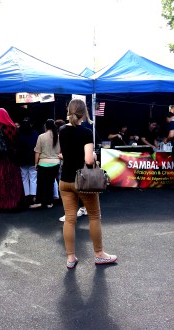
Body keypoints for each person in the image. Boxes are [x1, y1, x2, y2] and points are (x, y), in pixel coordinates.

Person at [59, 98, 117, 269]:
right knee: (94, 216)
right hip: (83, 181)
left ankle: (70, 258)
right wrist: (95, 157)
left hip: (65, 181)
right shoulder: (86, 132)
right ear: (84, 112)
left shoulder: (61, 130)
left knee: (69, 219)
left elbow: (63, 153)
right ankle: (99, 254)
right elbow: (88, 160)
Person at [0, 108, 25, 210]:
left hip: (0, 159)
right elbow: (18, 144)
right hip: (12, 159)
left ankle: (3, 204)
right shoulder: (13, 127)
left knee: (1, 181)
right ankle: (15, 202)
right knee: (13, 181)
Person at [29, 119, 60, 209]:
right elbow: (60, 150)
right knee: (50, 183)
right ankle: (49, 202)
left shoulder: (41, 136)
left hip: (43, 163)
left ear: (46, 126)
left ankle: (40, 201)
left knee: (41, 183)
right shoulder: (57, 136)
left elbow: (37, 152)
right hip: (55, 163)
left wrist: (36, 163)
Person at [17, 117, 39, 205]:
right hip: (32, 158)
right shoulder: (34, 133)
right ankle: (33, 196)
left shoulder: (19, 133)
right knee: (33, 178)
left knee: (24, 178)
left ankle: (26, 196)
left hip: (22, 159)